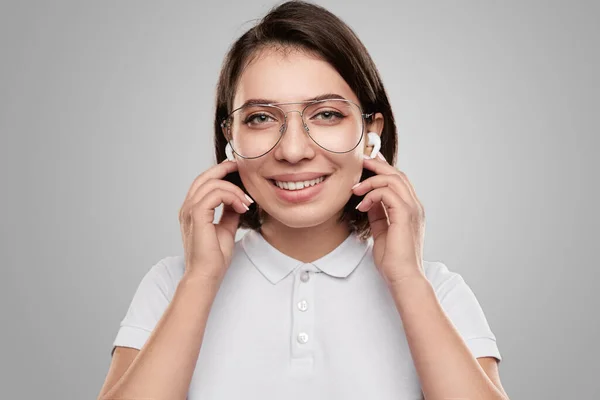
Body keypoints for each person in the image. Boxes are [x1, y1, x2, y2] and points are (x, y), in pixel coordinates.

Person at [97, 1, 509, 399]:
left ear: (371, 133)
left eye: (326, 114)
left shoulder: (437, 290)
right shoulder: (172, 285)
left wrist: (406, 280)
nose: (293, 150)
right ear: (231, 139)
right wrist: (201, 280)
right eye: (261, 118)